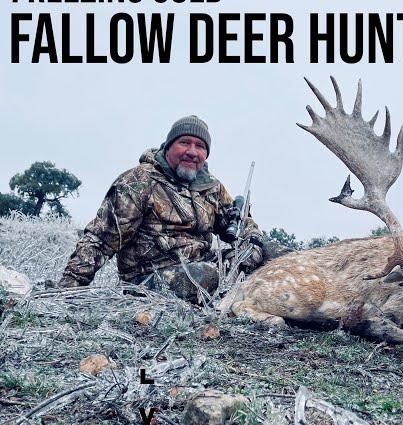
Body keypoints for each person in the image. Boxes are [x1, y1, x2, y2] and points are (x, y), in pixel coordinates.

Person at [57, 115, 263, 302]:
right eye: (184, 143)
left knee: (274, 255)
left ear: (206, 154)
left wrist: (252, 240)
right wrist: (68, 289)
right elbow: (100, 240)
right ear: (168, 146)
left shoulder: (211, 188)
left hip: (205, 265)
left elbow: (239, 220)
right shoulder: (139, 181)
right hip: (149, 279)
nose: (192, 152)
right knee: (207, 276)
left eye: (200, 146)